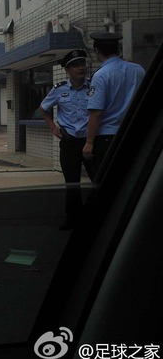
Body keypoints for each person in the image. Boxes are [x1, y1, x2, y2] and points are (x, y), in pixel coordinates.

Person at [39, 49, 92, 230]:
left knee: (97, 179)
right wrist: (53, 127)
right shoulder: (59, 89)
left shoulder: (93, 87)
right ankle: (73, 219)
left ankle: (97, 216)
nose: (81, 68)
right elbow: (43, 108)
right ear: (67, 70)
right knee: (72, 183)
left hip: (90, 141)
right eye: (76, 65)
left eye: (82, 64)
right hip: (69, 143)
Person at [82, 32, 146, 179]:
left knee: (107, 178)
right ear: (118, 49)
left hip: (108, 137)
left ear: (96, 50)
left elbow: (96, 112)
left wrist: (89, 142)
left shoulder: (101, 75)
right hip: (133, 132)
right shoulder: (138, 70)